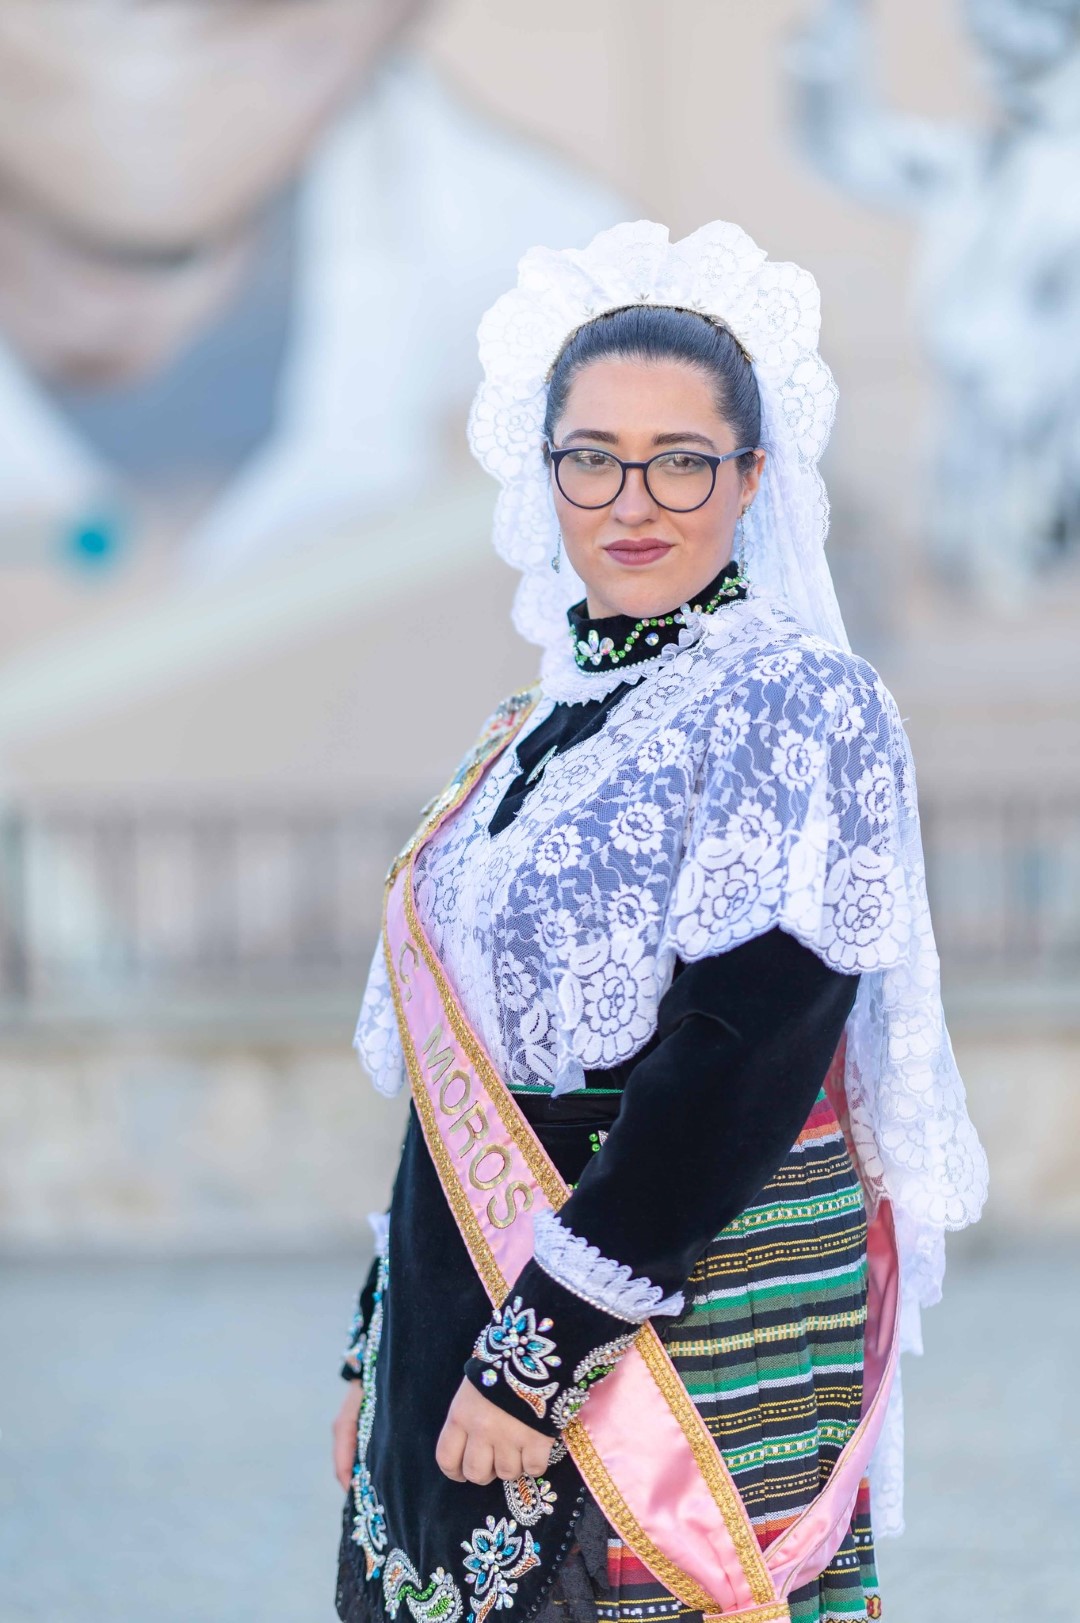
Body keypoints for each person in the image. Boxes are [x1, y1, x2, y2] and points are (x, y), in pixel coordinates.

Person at [332, 221, 988, 1623]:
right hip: (475, 1312)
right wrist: (378, 1356)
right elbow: (455, 1089)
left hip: (676, 1323)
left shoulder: (794, 703)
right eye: (594, 458)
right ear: (547, 476)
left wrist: (534, 1354)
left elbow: (741, 1060)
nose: (635, 500)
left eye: (682, 459)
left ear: (751, 477)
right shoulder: (525, 731)